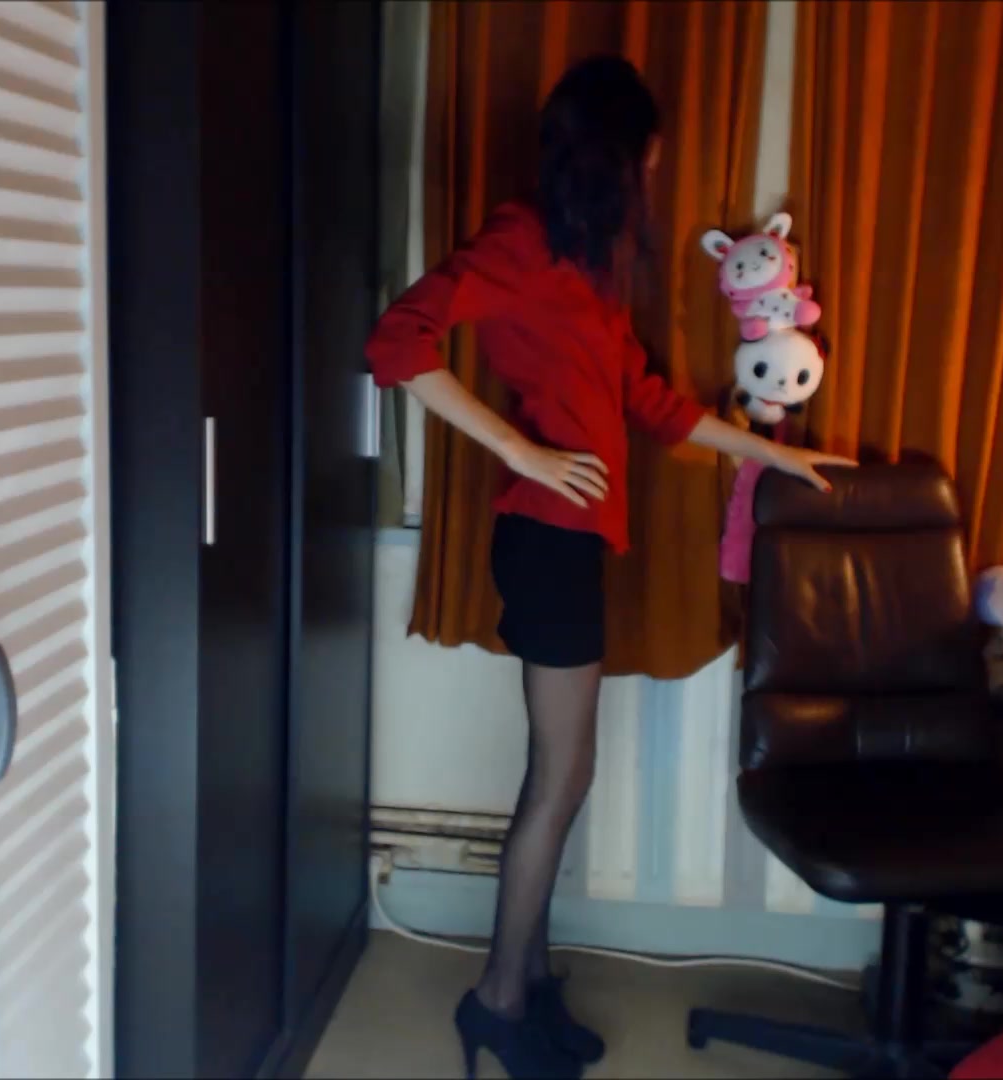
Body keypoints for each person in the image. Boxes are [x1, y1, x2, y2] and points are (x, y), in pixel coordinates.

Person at [366, 55, 853, 1079]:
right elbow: (396, 344)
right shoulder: (519, 239)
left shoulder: (591, 261)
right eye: (648, 155)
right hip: (543, 538)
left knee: (562, 771)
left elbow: (649, 400)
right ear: (619, 155)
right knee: (564, 772)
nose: (656, 170)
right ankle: (498, 999)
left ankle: (528, 983)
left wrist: (771, 453)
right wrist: (521, 450)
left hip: (572, 541)